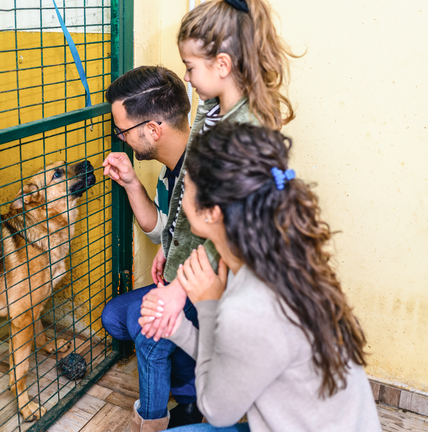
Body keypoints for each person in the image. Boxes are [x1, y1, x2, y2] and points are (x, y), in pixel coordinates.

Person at [102, 0, 300, 430]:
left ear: (222, 64)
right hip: (205, 272)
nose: (187, 77)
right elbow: (185, 216)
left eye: (190, 67)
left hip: (238, 280)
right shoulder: (213, 110)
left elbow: (226, 224)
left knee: (157, 332)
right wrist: (170, 251)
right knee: (135, 319)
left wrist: (175, 290)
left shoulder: (241, 127)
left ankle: (185, 410)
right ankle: (199, 396)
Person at [140, 121, 383, 432]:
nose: (179, 196)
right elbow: (234, 366)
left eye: (185, 187)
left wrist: (208, 305)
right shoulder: (277, 257)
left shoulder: (251, 302)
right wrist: (179, 328)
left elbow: (217, 409)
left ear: (211, 212)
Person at [100, 65, 203, 430]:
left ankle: (162, 417)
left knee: (149, 329)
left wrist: (170, 301)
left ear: (153, 129)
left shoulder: (206, 171)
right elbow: (159, 229)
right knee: (115, 317)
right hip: (182, 279)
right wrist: (129, 182)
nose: (121, 138)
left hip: (216, 291)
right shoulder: (168, 168)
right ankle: (190, 384)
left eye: (124, 130)